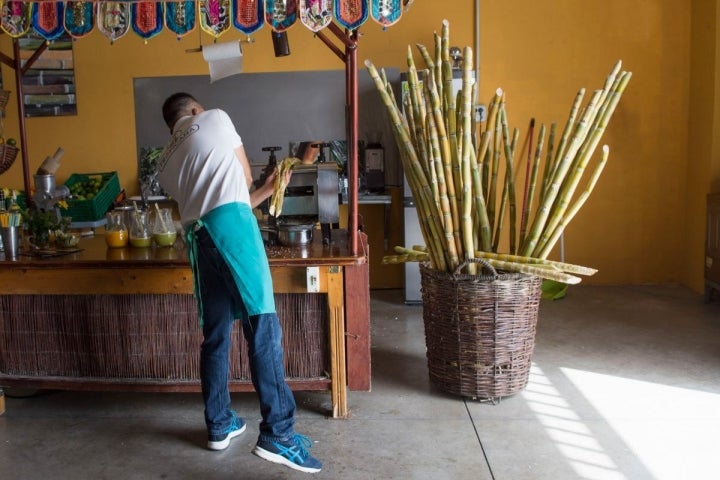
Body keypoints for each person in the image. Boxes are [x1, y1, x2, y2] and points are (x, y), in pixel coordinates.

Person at [156, 92, 322, 474]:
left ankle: (218, 423)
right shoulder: (214, 117)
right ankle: (279, 434)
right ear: (195, 108)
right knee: (263, 326)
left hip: (201, 241)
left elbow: (228, 197)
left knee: (216, 336)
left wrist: (270, 187)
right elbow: (242, 181)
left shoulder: (165, 161)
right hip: (234, 231)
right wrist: (261, 181)